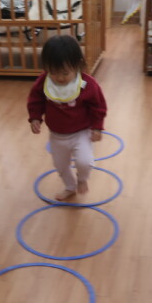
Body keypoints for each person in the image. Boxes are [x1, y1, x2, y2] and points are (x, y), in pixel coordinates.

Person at [27, 35, 107, 201]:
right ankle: (70, 187)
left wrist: (97, 127)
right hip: (56, 135)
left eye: (65, 73)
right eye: (53, 72)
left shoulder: (87, 84)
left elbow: (98, 106)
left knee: (85, 162)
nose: (60, 78)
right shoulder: (44, 82)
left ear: (78, 65)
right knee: (60, 166)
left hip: (81, 133)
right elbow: (35, 99)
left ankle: (82, 179)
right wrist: (35, 117)